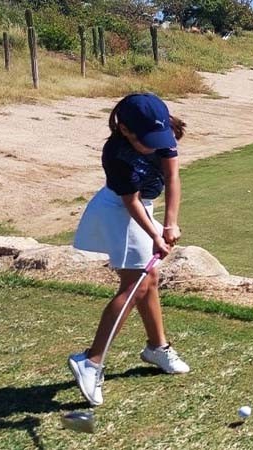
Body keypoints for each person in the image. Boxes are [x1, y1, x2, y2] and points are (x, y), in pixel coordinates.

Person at [68, 93, 190, 406]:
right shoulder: (116, 154)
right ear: (125, 131)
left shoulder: (163, 133)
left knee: (147, 279)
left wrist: (170, 224)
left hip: (143, 208)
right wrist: (156, 236)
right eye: (145, 140)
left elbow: (173, 175)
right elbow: (130, 202)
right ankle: (91, 361)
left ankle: (156, 347)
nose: (154, 145)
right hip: (119, 210)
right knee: (138, 282)